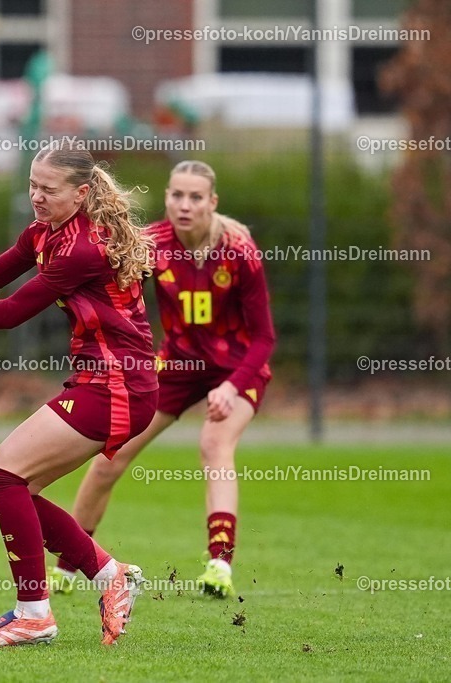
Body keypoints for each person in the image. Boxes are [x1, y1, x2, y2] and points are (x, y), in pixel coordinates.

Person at [0, 140, 157, 647]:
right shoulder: (43, 232)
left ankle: (35, 614)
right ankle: (110, 577)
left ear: (82, 194)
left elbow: (14, 310)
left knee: (2, 477)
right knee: (7, 490)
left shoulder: (83, 247)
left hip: (118, 386)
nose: (36, 196)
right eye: (32, 185)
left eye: (48, 189)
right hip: (102, 382)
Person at [50, 160, 276, 599]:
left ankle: (219, 565)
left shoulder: (239, 250)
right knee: (110, 456)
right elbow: (107, 281)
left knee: (214, 444)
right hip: (176, 365)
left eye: (195, 197)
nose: (184, 205)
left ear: (212, 202)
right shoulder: (152, 243)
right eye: (177, 195)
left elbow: (264, 338)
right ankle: (68, 567)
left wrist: (232, 387)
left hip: (237, 368)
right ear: (167, 197)